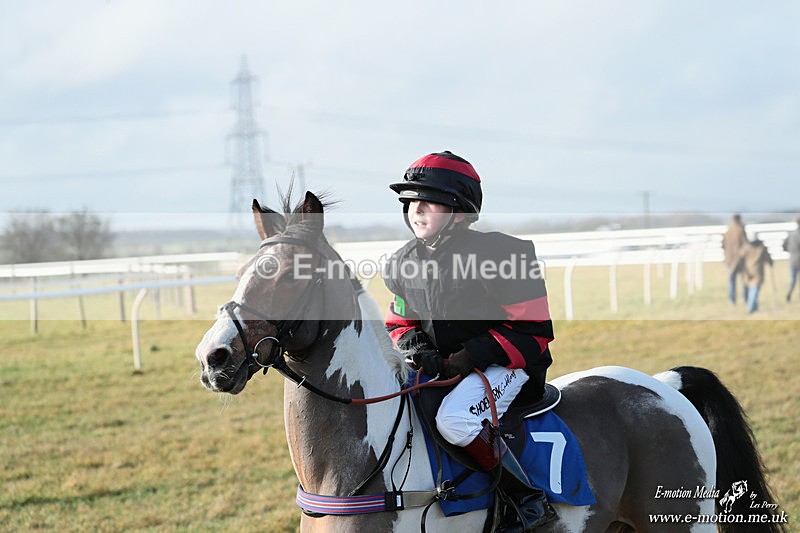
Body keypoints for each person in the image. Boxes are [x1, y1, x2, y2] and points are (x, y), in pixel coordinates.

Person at [383, 151, 555, 531]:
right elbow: (398, 322)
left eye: (428, 201)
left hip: (510, 365)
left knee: (455, 420)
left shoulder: (504, 255)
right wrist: (418, 349)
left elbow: (534, 331)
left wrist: (469, 356)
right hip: (444, 368)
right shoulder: (400, 262)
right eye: (410, 201)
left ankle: (523, 498)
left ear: (459, 212)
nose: (416, 209)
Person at [736, 235, 773, 314]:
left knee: (751, 291)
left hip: (747, 272)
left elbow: (740, 258)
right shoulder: (761, 247)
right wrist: (770, 262)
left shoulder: (746, 247)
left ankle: (751, 308)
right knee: (753, 291)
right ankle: (752, 307)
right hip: (756, 272)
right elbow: (768, 258)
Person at [722, 214, 748, 304]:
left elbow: (723, 245)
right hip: (740, 259)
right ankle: (745, 299)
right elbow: (746, 244)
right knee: (744, 279)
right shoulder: (741, 230)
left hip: (729, 260)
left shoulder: (728, 231)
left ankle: (732, 300)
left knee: (731, 280)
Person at [782, 217, 800, 302]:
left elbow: (783, 245)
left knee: (793, 280)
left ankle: (789, 292)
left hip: (792, 259)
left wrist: (790, 251)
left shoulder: (791, 234)